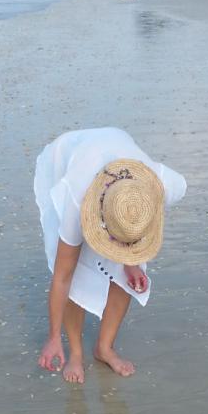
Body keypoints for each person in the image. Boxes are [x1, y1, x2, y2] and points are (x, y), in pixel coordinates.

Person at [35, 128, 186, 383]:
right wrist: (53, 338)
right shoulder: (75, 200)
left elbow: (132, 223)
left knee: (129, 276)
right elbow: (62, 277)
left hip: (119, 166)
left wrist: (132, 262)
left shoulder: (159, 185)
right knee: (77, 270)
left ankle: (104, 348)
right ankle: (76, 352)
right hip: (69, 160)